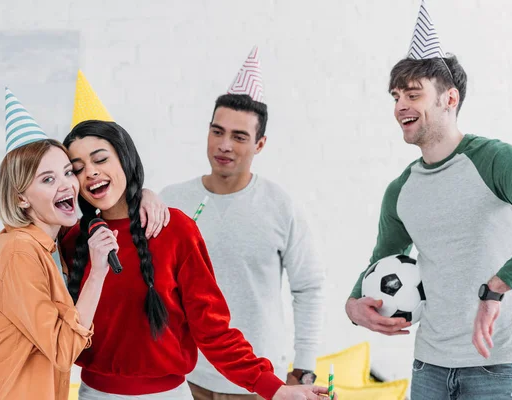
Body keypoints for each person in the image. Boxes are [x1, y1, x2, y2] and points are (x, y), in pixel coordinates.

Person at [345, 2, 512, 399]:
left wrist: (498, 286)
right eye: (395, 96)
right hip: (429, 367)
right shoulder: (400, 190)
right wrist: (353, 305)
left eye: (413, 94)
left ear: (449, 98)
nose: (400, 106)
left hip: (498, 366)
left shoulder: (495, 160)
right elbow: (383, 259)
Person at [61, 119, 331, 400]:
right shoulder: (70, 241)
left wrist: (274, 389)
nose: (90, 172)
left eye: (100, 159)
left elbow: (212, 329)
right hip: (93, 395)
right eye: (77, 169)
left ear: (125, 159)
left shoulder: (175, 230)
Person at [159, 47, 325, 399]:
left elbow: (308, 287)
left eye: (239, 136)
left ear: (260, 144)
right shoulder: (171, 201)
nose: (224, 145)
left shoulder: (280, 205)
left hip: (259, 379)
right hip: (185, 377)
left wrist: (304, 367)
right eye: (217, 132)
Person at [0, 89, 107, 399]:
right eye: (47, 179)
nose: (66, 184)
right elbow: (62, 349)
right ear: (21, 198)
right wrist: (97, 272)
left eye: (68, 172)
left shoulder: (51, 247)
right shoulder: (21, 251)